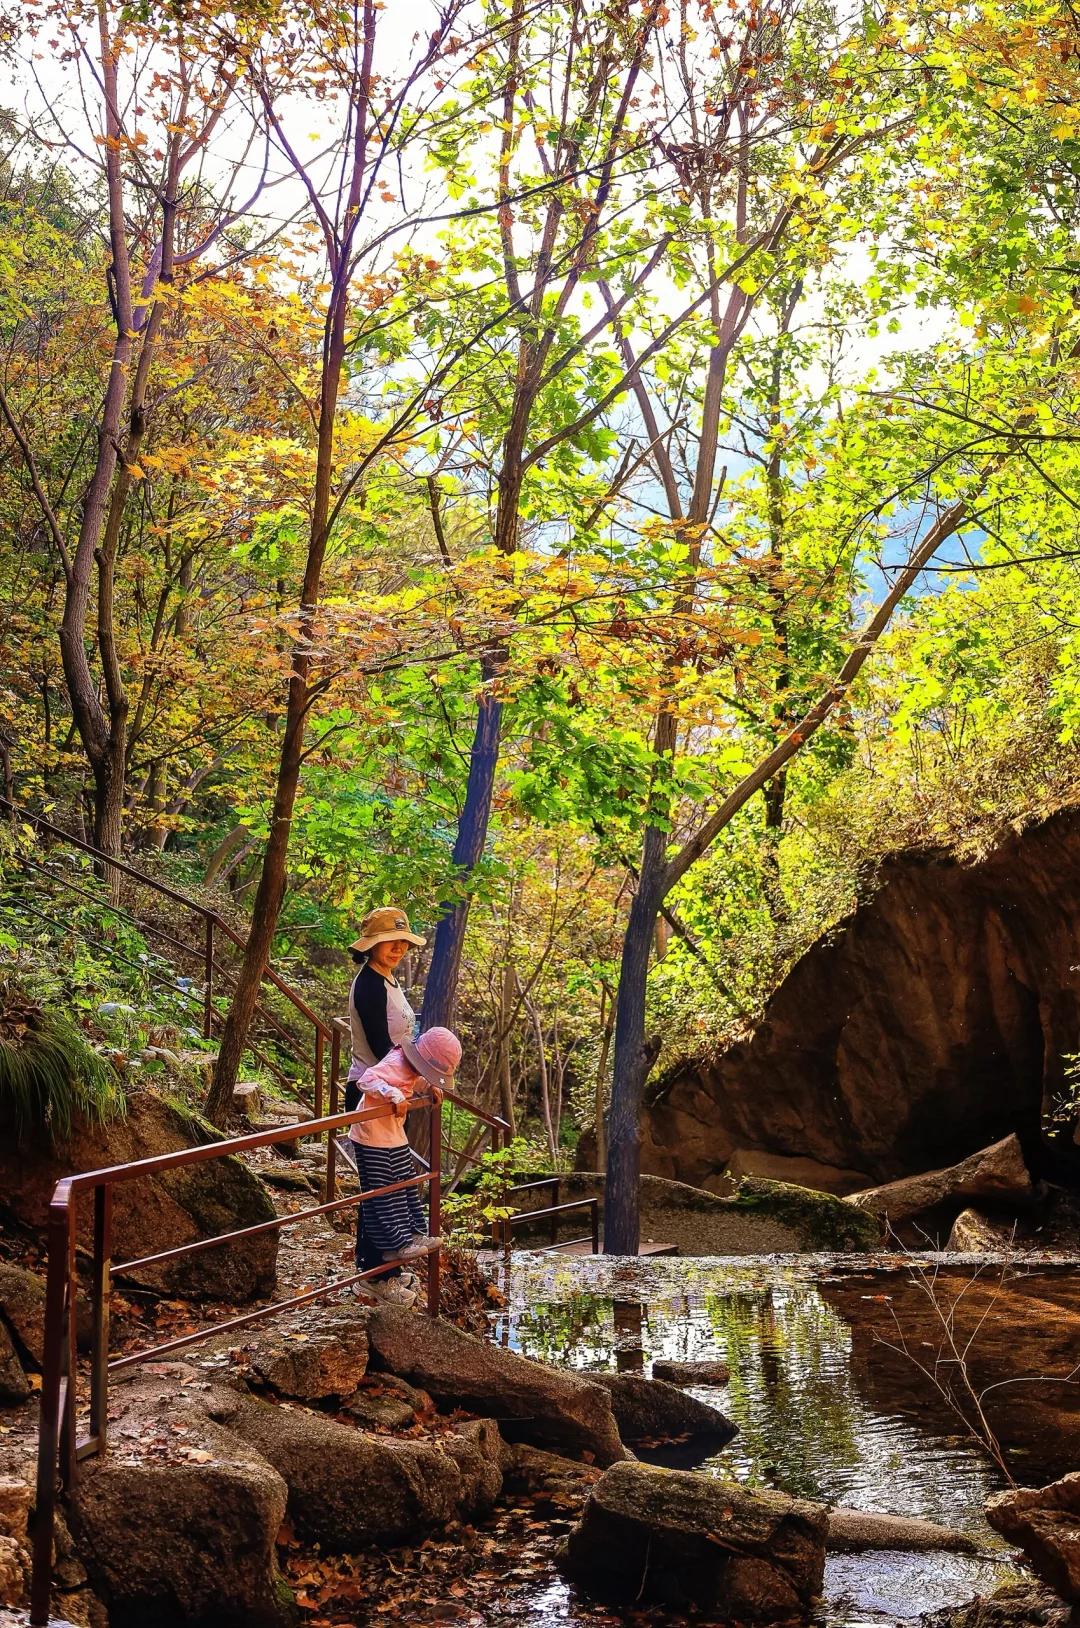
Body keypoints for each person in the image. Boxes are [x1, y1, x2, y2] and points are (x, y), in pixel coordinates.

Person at [349, 1027, 462, 1306]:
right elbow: (367, 1080)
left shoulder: (410, 1066)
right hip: (372, 1136)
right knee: (383, 1193)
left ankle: (413, 1232)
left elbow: (413, 1080)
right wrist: (392, 1095)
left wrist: (430, 1086)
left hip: (392, 1134)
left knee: (406, 1182)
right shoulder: (394, 1061)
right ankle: (392, 1248)